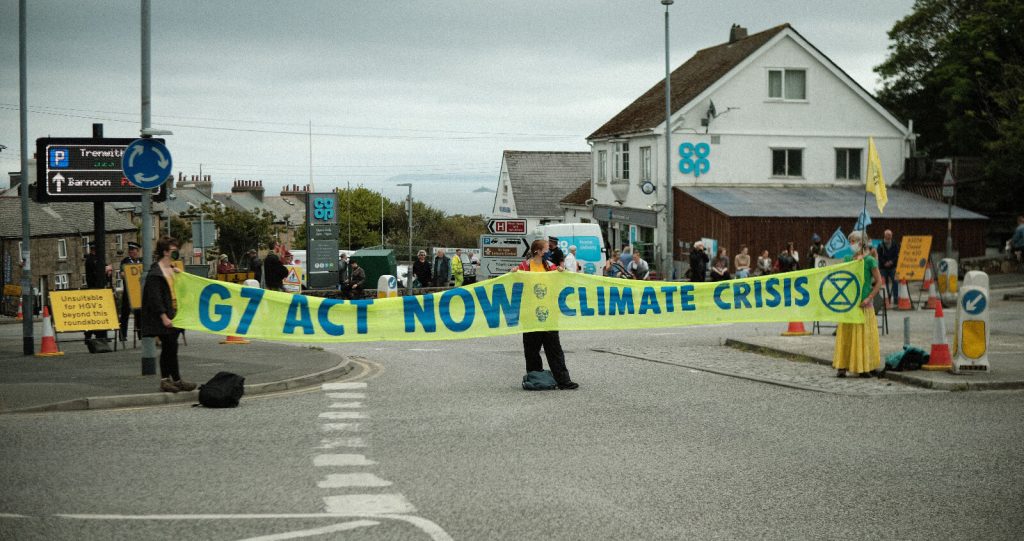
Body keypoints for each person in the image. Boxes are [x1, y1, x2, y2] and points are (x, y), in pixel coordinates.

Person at [513, 238, 578, 390]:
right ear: (538, 251)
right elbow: (515, 284)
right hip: (530, 314)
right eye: (546, 248)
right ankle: (536, 378)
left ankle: (563, 380)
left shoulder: (550, 266)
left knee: (554, 348)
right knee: (531, 349)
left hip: (549, 313)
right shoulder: (524, 266)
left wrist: (562, 273)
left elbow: (561, 279)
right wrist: (513, 274)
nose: (548, 250)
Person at [141, 236, 196, 393]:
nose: (176, 252)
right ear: (165, 252)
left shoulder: (171, 270)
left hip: (175, 313)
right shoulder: (155, 274)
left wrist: (179, 276)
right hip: (165, 316)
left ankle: (173, 380)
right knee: (169, 347)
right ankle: (170, 380)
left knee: (171, 347)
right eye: (173, 250)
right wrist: (163, 316)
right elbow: (155, 297)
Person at [833, 230, 884, 378]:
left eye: (854, 241)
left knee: (865, 337)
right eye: (850, 242)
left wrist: (869, 298)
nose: (851, 244)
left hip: (864, 304)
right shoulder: (848, 259)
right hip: (849, 305)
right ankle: (842, 366)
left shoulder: (869, 261)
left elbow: (879, 282)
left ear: (862, 243)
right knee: (846, 336)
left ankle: (865, 367)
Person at [83, 242, 112, 342]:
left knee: (100, 313)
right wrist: (106, 270)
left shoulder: (99, 259)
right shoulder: (90, 260)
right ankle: (88, 334)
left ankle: (100, 334)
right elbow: (97, 272)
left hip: (100, 289)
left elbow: (107, 269)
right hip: (93, 288)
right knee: (93, 313)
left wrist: (108, 271)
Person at [118, 242, 142, 342]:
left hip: (138, 291)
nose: (133, 252)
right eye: (131, 250)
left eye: (135, 250)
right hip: (128, 290)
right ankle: (123, 335)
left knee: (139, 313)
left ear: (138, 251)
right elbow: (122, 274)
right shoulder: (125, 261)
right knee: (125, 313)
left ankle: (141, 334)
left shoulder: (141, 261)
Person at [876, 229, 900, 307]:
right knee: (884, 284)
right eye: (887, 235)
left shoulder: (895, 244)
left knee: (895, 282)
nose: (889, 236)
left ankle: (896, 299)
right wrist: (885, 263)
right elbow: (879, 256)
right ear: (884, 235)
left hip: (893, 267)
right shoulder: (880, 245)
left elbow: (897, 255)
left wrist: (891, 262)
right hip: (883, 267)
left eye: (890, 235)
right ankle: (886, 300)